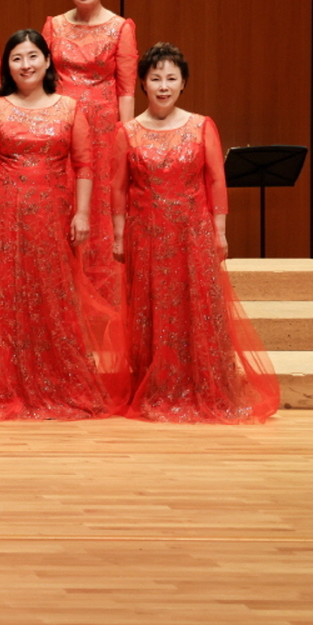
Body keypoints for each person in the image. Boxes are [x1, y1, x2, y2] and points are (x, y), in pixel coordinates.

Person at [0, 29, 125, 420]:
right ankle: (4, 383)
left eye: (33, 56)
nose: (25, 65)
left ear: (47, 61)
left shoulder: (69, 108)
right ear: (7, 67)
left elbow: (85, 166)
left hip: (53, 216)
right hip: (5, 216)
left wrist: (82, 213)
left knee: (52, 296)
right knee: (8, 296)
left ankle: (57, 382)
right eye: (17, 58)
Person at [111, 43, 279, 422]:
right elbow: (117, 188)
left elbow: (216, 180)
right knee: (150, 310)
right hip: (146, 235)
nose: (163, 86)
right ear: (143, 83)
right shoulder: (127, 131)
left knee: (195, 308)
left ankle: (201, 385)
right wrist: (119, 236)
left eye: (171, 78)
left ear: (183, 83)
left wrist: (219, 231)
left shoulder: (202, 126)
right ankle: (155, 386)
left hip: (192, 233)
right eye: (156, 78)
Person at [43, 0, 137, 309]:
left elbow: (126, 89)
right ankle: (60, 289)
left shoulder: (120, 27)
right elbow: (43, 79)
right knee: (60, 197)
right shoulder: (53, 26)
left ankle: (100, 296)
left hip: (102, 128)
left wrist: (126, 138)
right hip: (60, 124)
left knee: (99, 203)